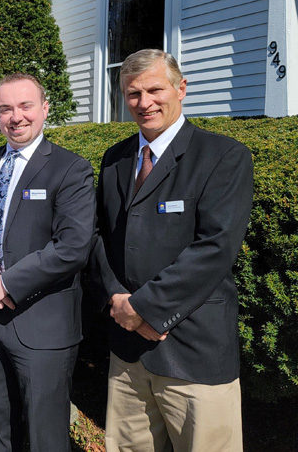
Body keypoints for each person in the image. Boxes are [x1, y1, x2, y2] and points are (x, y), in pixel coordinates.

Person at [91, 49, 253, 451]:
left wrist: (145, 310)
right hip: (128, 353)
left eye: (154, 89)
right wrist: (118, 302)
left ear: (181, 89)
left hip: (193, 351)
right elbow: (100, 240)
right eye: (133, 94)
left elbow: (214, 249)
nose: (144, 103)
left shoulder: (223, 157)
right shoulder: (115, 160)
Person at [0, 73, 95, 450]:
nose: (15, 116)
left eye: (25, 106)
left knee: (44, 438)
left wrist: (4, 284)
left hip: (43, 326)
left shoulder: (70, 168)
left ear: (45, 108)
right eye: (6, 109)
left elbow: (73, 246)